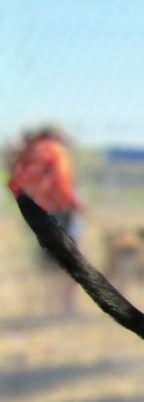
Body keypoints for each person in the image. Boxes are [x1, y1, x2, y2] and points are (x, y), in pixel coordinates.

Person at [7, 126, 85, 314]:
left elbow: (15, 182)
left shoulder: (27, 154)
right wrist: (74, 203)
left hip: (37, 210)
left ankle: (48, 304)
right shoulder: (55, 152)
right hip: (61, 209)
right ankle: (67, 306)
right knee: (70, 258)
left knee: (47, 258)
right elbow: (61, 182)